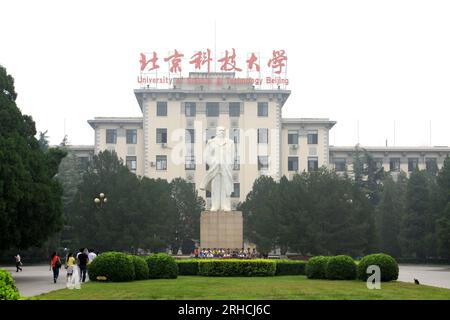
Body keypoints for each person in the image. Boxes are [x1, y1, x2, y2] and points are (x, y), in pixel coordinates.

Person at [200, 126, 235, 211]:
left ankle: (225, 205)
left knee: (225, 186)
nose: (222, 132)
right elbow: (206, 155)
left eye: (223, 130)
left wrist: (229, 165)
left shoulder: (230, 142)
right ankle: (215, 205)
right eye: (220, 130)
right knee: (215, 186)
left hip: (225, 168)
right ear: (216, 132)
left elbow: (233, 156)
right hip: (215, 167)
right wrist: (212, 162)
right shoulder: (211, 142)